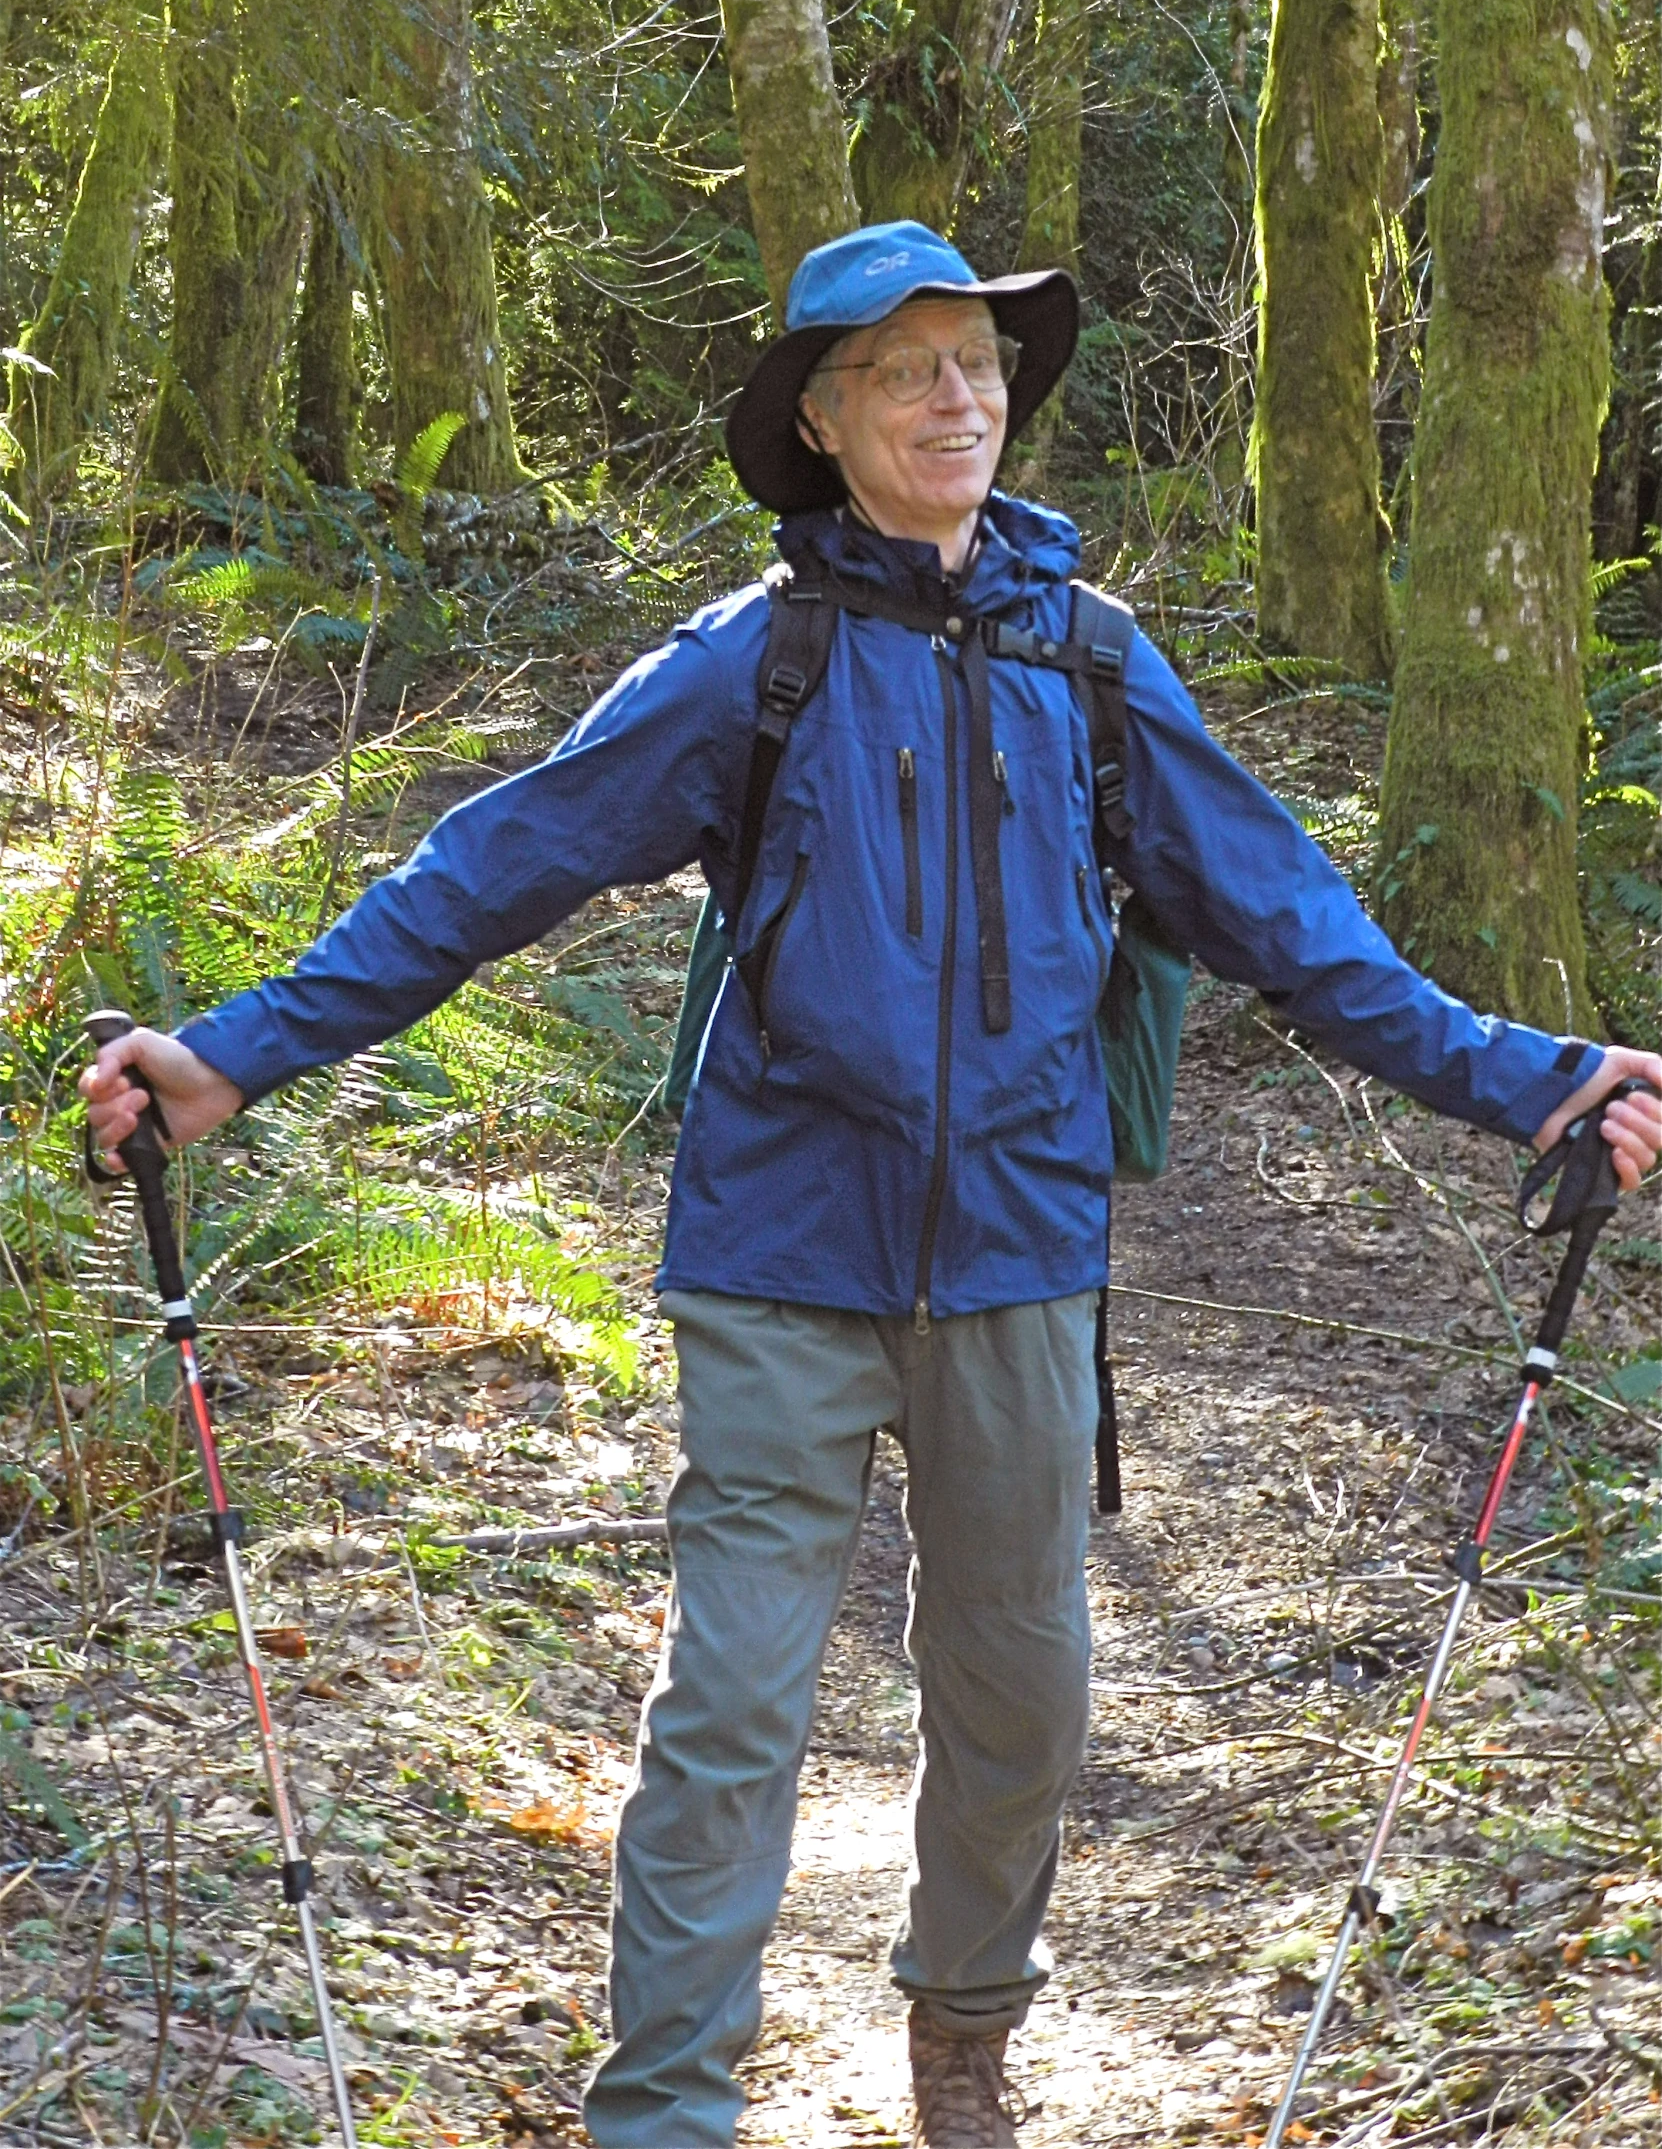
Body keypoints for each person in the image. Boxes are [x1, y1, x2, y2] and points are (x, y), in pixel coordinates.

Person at [84, 221, 1661, 2149]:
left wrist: (1531, 1082)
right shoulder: (753, 661)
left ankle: (962, 2039)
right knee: (735, 1704)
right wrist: (233, 1053)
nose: (959, 397)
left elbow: (1289, 922)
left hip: (1018, 1257)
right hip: (777, 1253)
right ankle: (665, 2106)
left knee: (1020, 1712)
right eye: (909, 368)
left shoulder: (1089, 663)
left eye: (982, 366)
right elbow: (494, 868)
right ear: (823, 419)